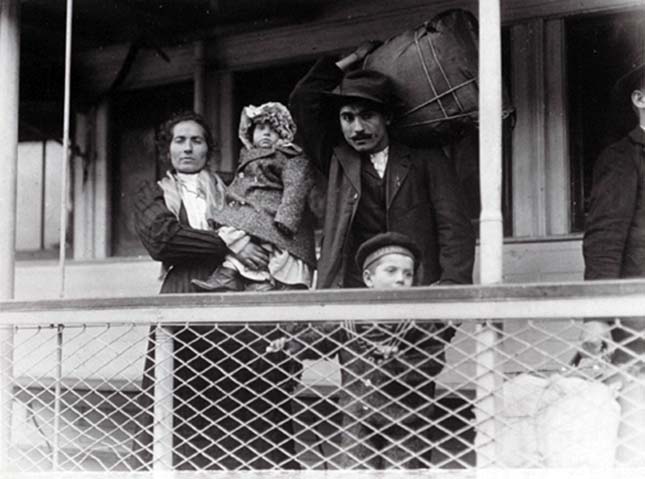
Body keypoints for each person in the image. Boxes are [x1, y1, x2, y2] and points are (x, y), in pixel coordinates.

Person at [131, 111, 300, 470]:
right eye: (180, 140)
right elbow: (164, 240)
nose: (188, 148)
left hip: (239, 295)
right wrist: (228, 243)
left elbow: (271, 212)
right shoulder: (154, 191)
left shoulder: (233, 184)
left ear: (209, 147)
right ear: (168, 148)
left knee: (248, 393)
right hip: (184, 294)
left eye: (197, 140)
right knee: (179, 391)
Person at [288, 42, 475, 290]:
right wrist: (353, 57)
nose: (357, 129)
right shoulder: (337, 160)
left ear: (386, 117)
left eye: (367, 116)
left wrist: (452, 285)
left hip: (416, 290)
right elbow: (303, 98)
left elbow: (454, 227)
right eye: (348, 117)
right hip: (353, 294)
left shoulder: (425, 158)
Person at [269, 232, 455, 468]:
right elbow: (321, 339)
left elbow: (433, 359)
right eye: (391, 271)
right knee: (356, 469)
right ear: (368, 278)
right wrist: (291, 344)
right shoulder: (350, 319)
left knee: (403, 471)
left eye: (408, 274)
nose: (401, 279)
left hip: (407, 419)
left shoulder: (417, 321)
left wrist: (399, 361)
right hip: (358, 416)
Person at [581, 61, 645, 466]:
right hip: (637, 317)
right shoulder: (623, 158)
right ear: (640, 100)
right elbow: (604, 241)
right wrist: (597, 315)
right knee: (637, 424)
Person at [192, 102, 316, 292]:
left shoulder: (289, 156)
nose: (266, 133)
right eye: (260, 128)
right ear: (250, 133)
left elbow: (296, 186)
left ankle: (271, 284)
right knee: (233, 232)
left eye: (273, 129)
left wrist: (287, 218)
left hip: (273, 212)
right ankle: (229, 275)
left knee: (278, 254)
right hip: (251, 210)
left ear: (283, 134)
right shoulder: (247, 157)